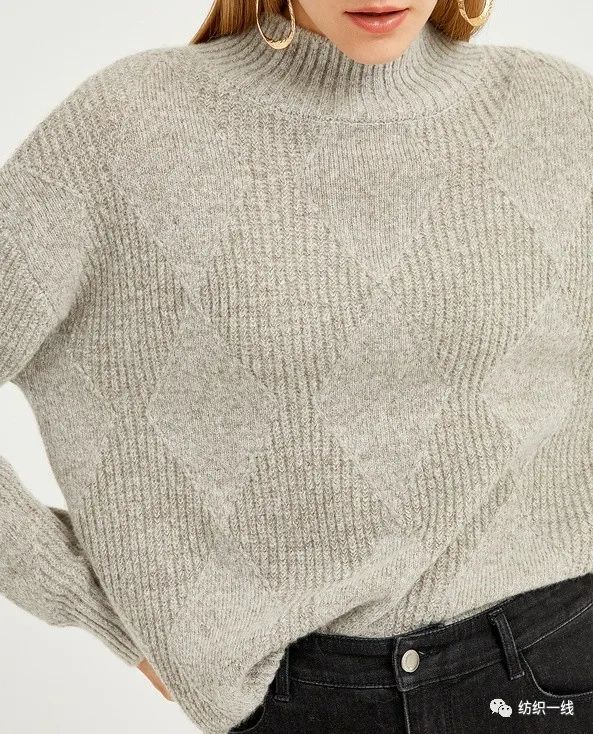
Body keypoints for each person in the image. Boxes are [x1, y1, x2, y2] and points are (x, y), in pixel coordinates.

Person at [1, 0, 593, 731]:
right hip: (307, 700)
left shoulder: (558, 111)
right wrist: (89, 602)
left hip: (556, 665)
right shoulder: (125, 132)